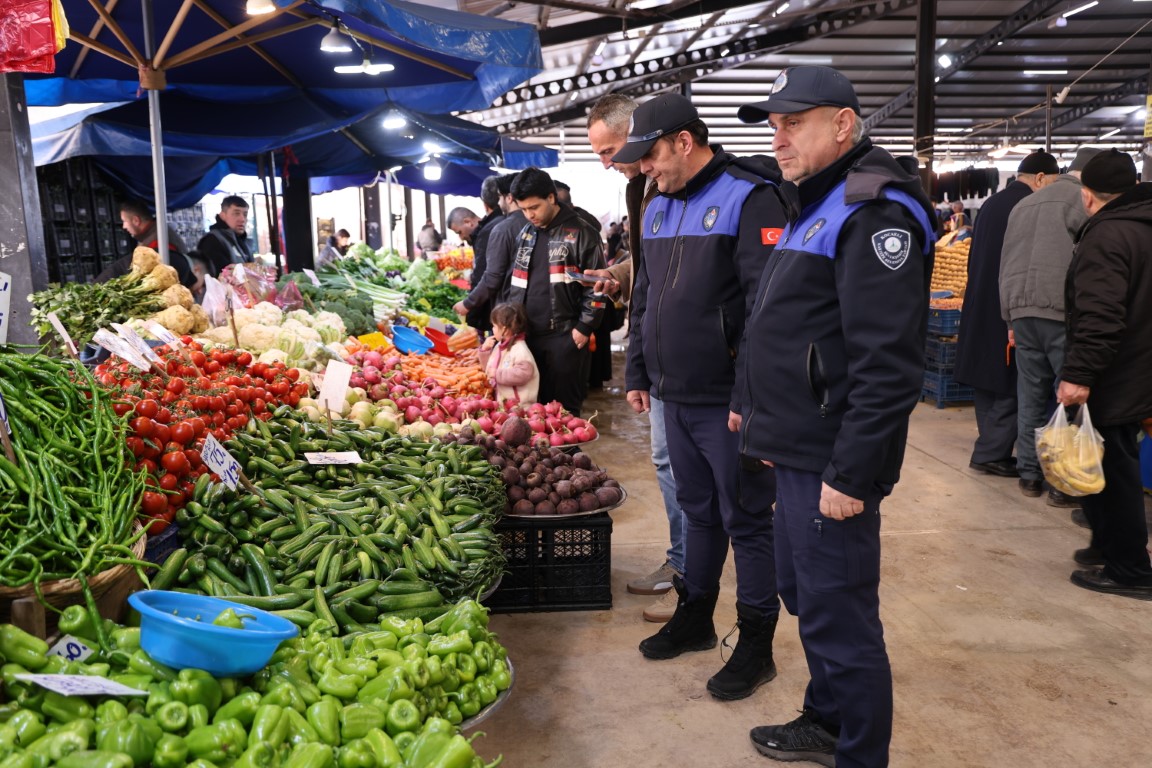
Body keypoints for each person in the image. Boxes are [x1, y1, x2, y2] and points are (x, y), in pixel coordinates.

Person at [736, 66, 936, 766]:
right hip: (796, 447)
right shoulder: (814, 201)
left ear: (844, 125)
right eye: (773, 125)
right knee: (807, 596)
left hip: (832, 461)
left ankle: (861, 753)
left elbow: (888, 366)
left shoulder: (873, 210)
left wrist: (851, 475)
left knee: (841, 615)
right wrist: (757, 414)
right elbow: (792, 327)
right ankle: (825, 721)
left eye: (794, 123)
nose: (779, 138)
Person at [612, 92, 787, 701]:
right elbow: (646, 296)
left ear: (684, 141)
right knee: (696, 510)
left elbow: (767, 311)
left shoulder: (748, 194)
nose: (645, 169)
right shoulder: (656, 208)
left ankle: (757, 642)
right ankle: (696, 615)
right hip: (672, 394)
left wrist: (750, 395)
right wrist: (637, 370)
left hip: (727, 401)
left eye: (652, 156)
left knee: (747, 518)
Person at [583, 92, 686, 624]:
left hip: (697, 358)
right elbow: (650, 262)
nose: (607, 162)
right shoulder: (639, 188)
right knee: (670, 464)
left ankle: (692, 576)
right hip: (660, 348)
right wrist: (619, 275)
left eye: (610, 148)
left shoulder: (686, 185)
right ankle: (684, 563)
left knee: (693, 472)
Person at [1058, 149, 1152, 598]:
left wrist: (1078, 374)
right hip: (1140, 363)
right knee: (1107, 463)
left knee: (1115, 471)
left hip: (1117, 370)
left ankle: (1130, 569)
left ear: (1088, 196)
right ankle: (1106, 544)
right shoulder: (1144, 225)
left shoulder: (1107, 235)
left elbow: (1100, 316)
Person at [955, 152, 1060, 479]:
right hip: (1005, 306)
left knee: (988, 381)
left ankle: (991, 446)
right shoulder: (1028, 206)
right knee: (1010, 381)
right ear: (1041, 178)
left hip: (978, 302)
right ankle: (990, 452)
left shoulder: (992, 202)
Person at [1000, 148, 1095, 510]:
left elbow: (1005, 262)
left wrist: (1008, 318)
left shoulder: (1024, 204)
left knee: (1031, 394)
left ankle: (1029, 474)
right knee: (1067, 396)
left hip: (1022, 312)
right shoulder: (1082, 200)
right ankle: (1061, 482)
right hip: (1060, 312)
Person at [505, 167, 604, 416]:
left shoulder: (582, 232)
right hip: (527, 337)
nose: (529, 215)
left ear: (551, 197)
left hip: (564, 336)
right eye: (524, 209)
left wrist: (584, 327)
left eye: (534, 207)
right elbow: (515, 282)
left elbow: (599, 286)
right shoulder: (526, 233)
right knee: (532, 411)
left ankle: (568, 455)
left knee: (564, 415)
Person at [454, 174, 522, 322]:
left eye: (500, 197)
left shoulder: (502, 229)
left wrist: (469, 304)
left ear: (508, 197)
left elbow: (493, 276)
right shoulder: (534, 224)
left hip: (508, 310)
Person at [97, 200, 196, 288]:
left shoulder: (158, 241)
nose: (124, 226)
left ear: (136, 220)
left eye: (124, 221)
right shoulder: (152, 234)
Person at [463, 177, 506, 335]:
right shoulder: (514, 223)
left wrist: (470, 307)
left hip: (496, 307)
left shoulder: (493, 229)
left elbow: (490, 274)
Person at [478, 302, 540, 405]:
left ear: (504, 330)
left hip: (520, 407)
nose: (492, 329)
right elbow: (489, 370)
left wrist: (497, 374)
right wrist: (484, 351)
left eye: (494, 326)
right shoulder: (499, 346)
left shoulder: (520, 350)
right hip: (504, 405)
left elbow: (523, 374)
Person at [197, 195, 254, 277]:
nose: (242, 219)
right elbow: (220, 276)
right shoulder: (212, 240)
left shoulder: (241, 241)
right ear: (222, 215)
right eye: (236, 213)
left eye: (245, 214)